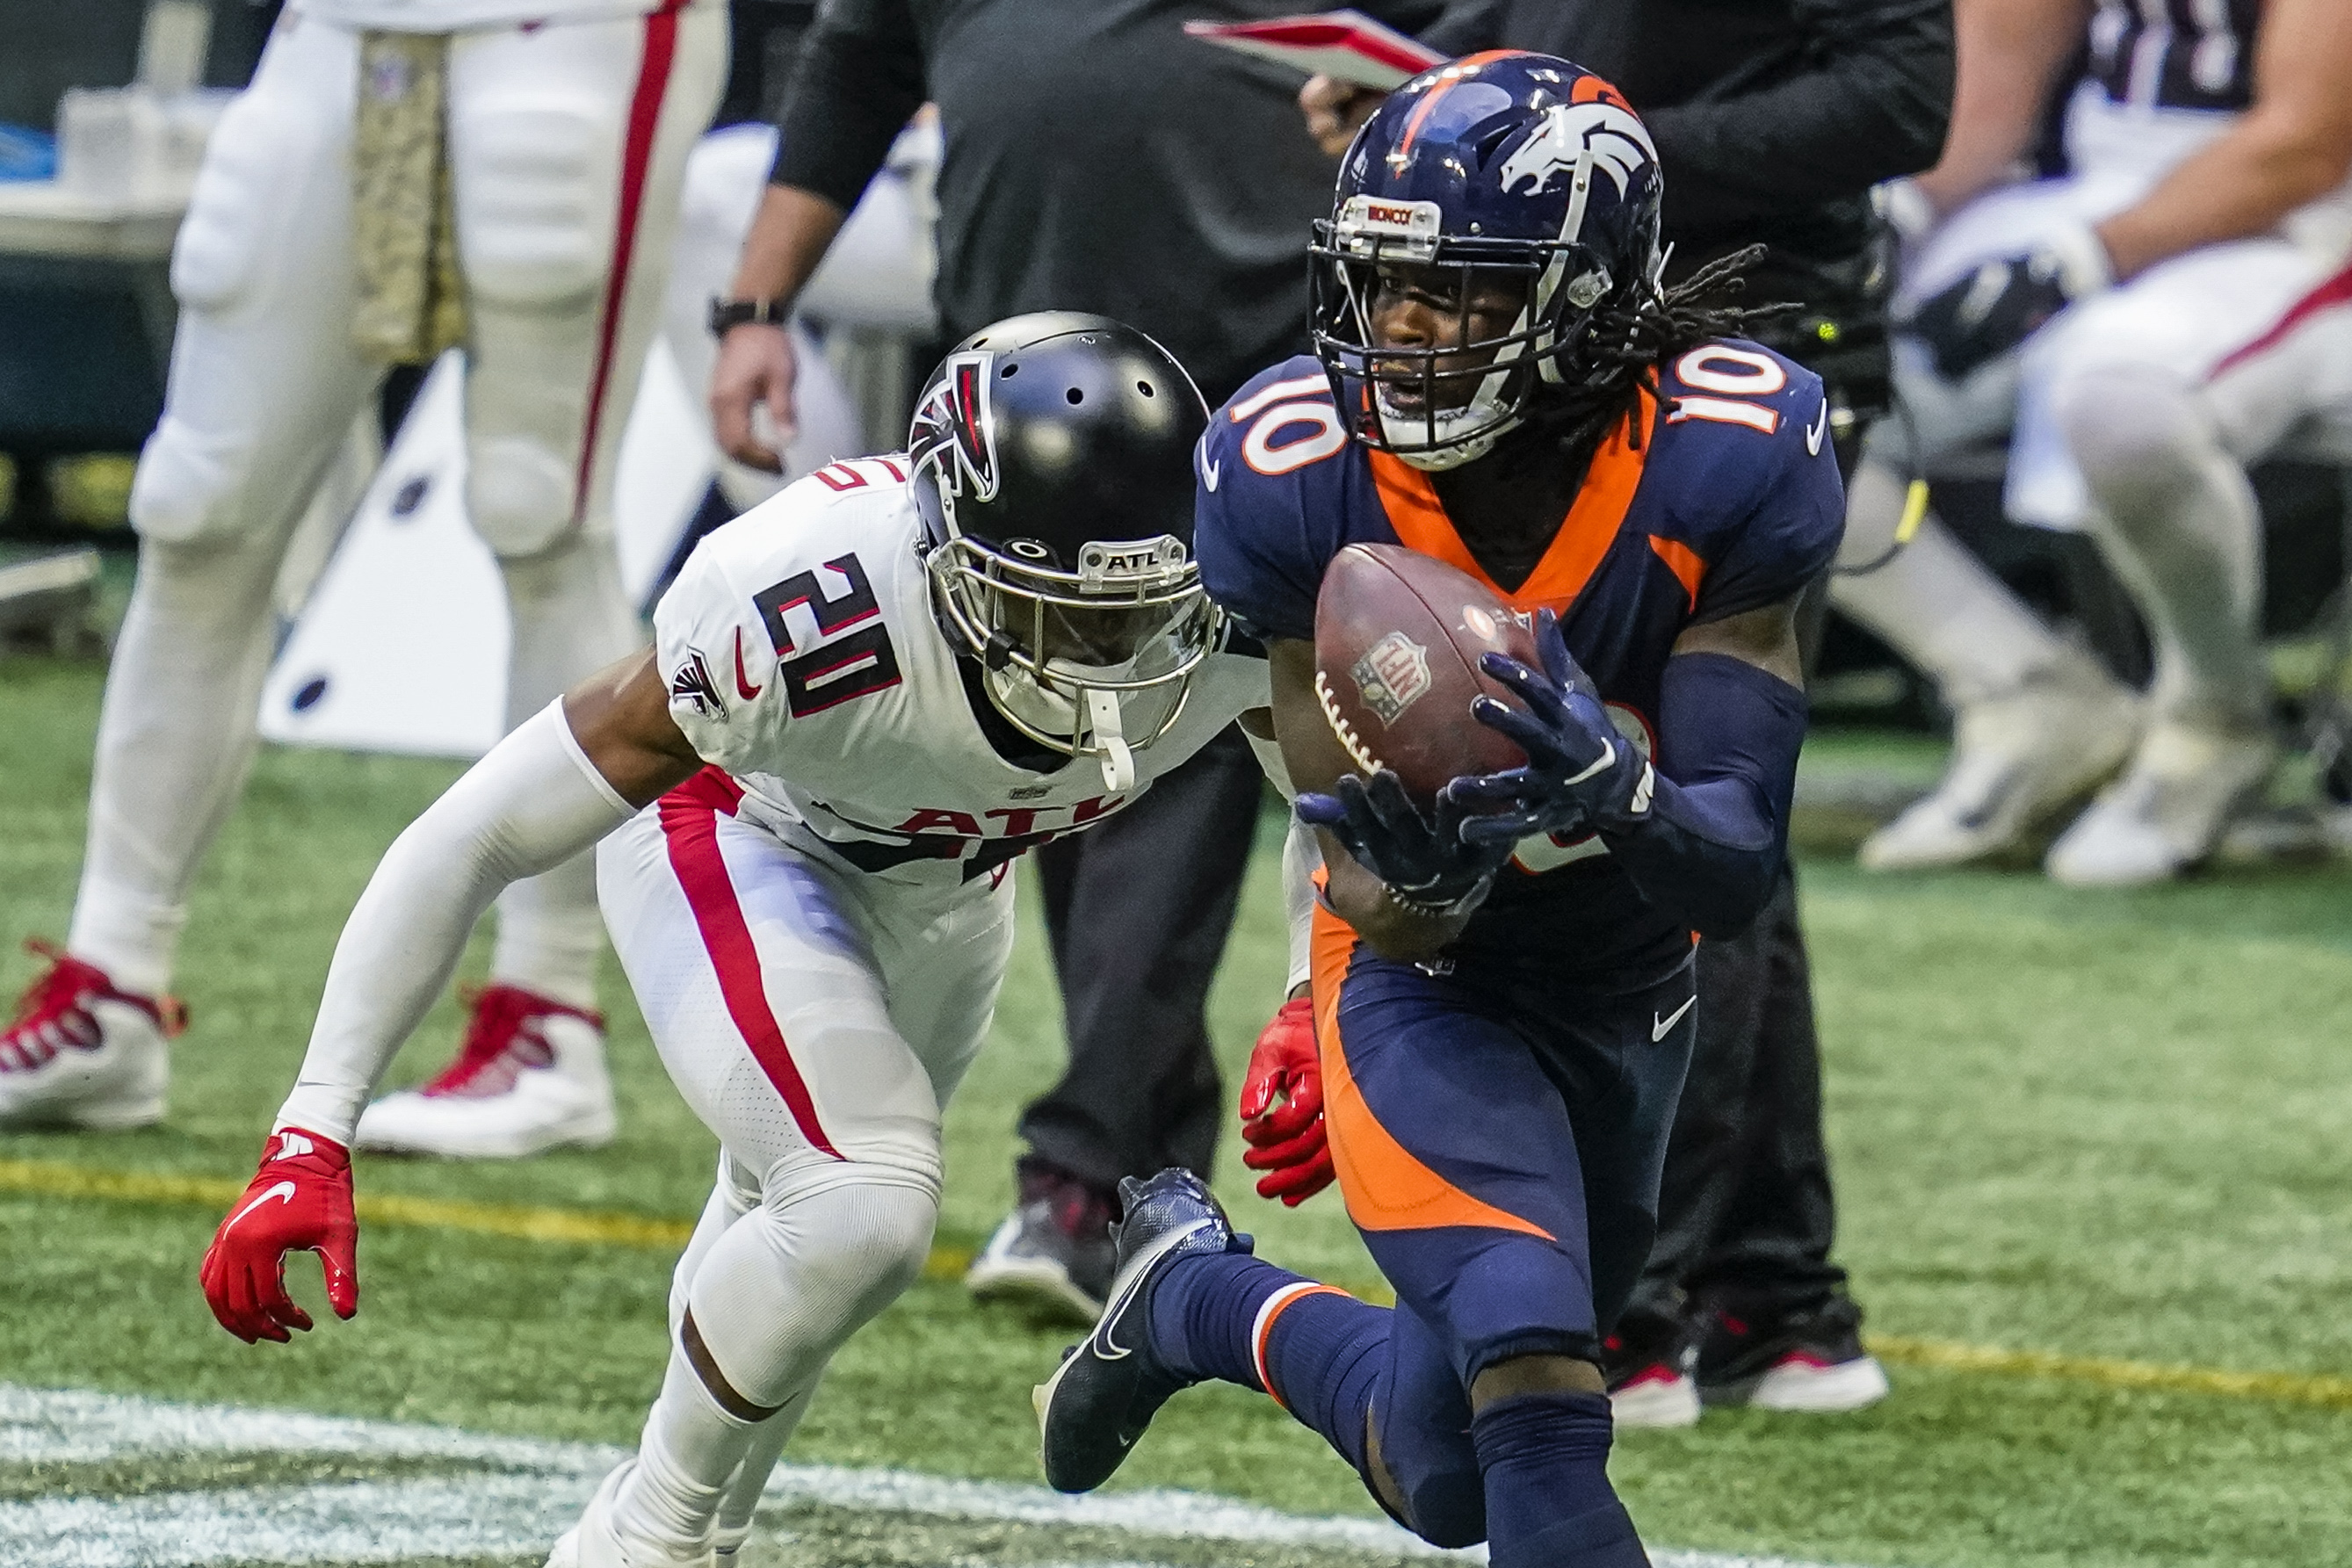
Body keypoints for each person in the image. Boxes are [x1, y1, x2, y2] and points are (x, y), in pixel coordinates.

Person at [198, 314, 1277, 1567]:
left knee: (796, 1229)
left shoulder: (1236, 587)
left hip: (952, 888)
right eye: (1058, 616)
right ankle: (640, 1540)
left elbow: (1336, 802)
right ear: (947, 553)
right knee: (862, 1200)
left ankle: (689, 1535)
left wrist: (1313, 989)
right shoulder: (809, 599)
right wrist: (314, 1126)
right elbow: (478, 830)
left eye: (1133, 614)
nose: (1105, 662)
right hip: (745, 837)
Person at [1035, 58, 1840, 1567]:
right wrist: (1426, 886)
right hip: (1426, 985)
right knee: (1537, 1395)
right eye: (1382, 285)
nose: (1402, 333)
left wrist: (1614, 780)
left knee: (1443, 1468)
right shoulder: (1295, 472)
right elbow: (1361, 880)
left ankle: (1194, 1300)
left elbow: (1730, 869)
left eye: (1457, 294)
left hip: (1629, 980)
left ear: (1591, 296)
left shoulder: (1729, 450)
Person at [1277, 0, 1951, 1424]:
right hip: (1528, 311)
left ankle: (1648, 1306)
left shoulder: (1740, 439)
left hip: (1678, 328)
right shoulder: (1290, 442)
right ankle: (1769, 1292)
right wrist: (1426, 120)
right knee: (1511, 774)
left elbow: (1900, 94)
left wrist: (1554, 175)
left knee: (1674, 809)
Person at [706, 0, 1345, 1319]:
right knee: (1063, 763)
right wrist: (754, 299)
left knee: (1164, 758)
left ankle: (1087, 1165)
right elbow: (860, 58)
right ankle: (1138, 1173)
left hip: (1247, 378)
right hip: (1006, 400)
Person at [0, 0, 727, 1145]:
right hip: (335, 30)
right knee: (195, 508)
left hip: (571, 25)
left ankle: (548, 1010)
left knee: (544, 517)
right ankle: (112, 981)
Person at [1843, 0, 2352, 884]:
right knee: (1779, 389)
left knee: (2120, 407)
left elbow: (2304, 141)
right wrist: (1897, 211)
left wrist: (2082, 258)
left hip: (2297, 225)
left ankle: (2211, 719)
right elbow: (1997, 70)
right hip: (2086, 196)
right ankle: (2017, 690)